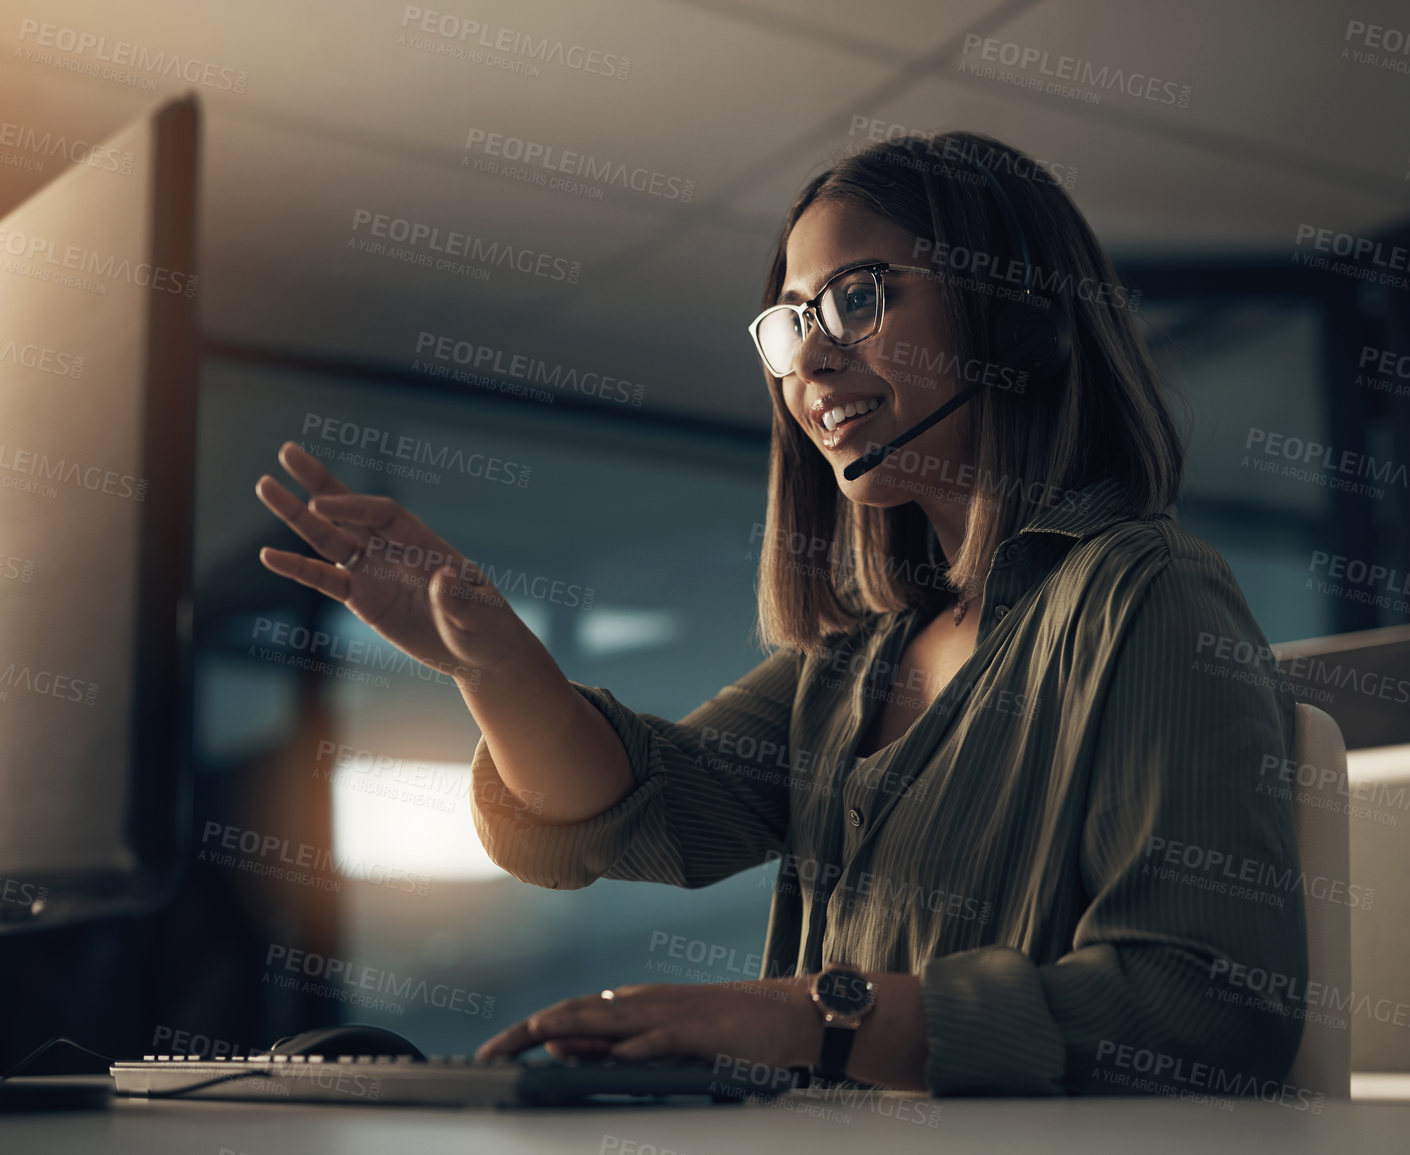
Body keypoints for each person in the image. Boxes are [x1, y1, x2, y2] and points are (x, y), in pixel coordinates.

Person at [254, 131, 1307, 1098]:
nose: (808, 359)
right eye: (791, 323)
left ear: (1017, 320)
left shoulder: (1146, 593)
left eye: (857, 299)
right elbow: (637, 816)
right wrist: (484, 657)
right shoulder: (855, 661)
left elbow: (1207, 1007)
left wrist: (801, 1017)